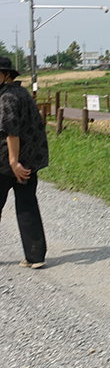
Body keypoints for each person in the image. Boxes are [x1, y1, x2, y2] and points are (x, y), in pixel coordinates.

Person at [0, 56, 49, 268]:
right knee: (27, 205)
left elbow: (11, 132)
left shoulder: (7, 97)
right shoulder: (22, 93)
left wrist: (13, 162)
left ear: (6, 75)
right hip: (28, 161)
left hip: (6, 163)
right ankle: (35, 256)